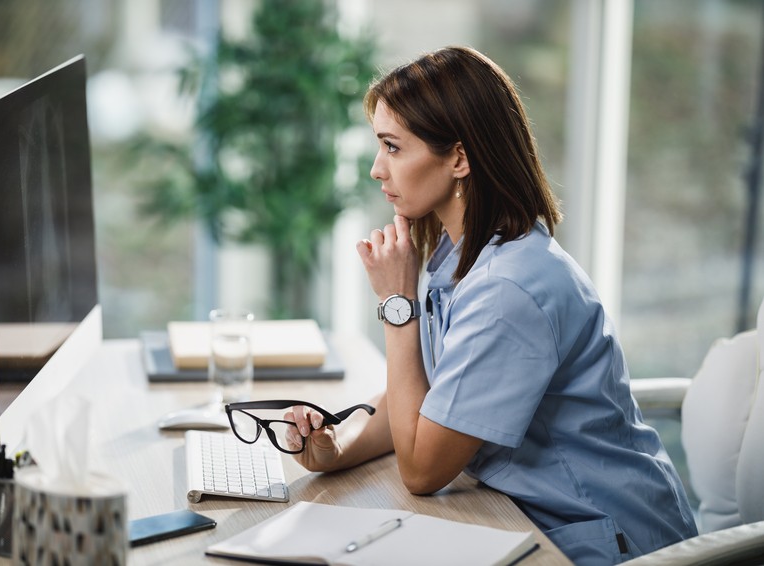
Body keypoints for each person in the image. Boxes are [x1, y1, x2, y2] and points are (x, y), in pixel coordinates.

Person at [284, 46, 698, 564]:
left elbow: (422, 471)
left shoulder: (510, 289)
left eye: (392, 147)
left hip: (602, 539)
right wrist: (336, 448)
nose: (376, 169)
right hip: (525, 516)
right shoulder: (463, 256)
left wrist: (396, 305)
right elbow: (430, 402)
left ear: (459, 158)